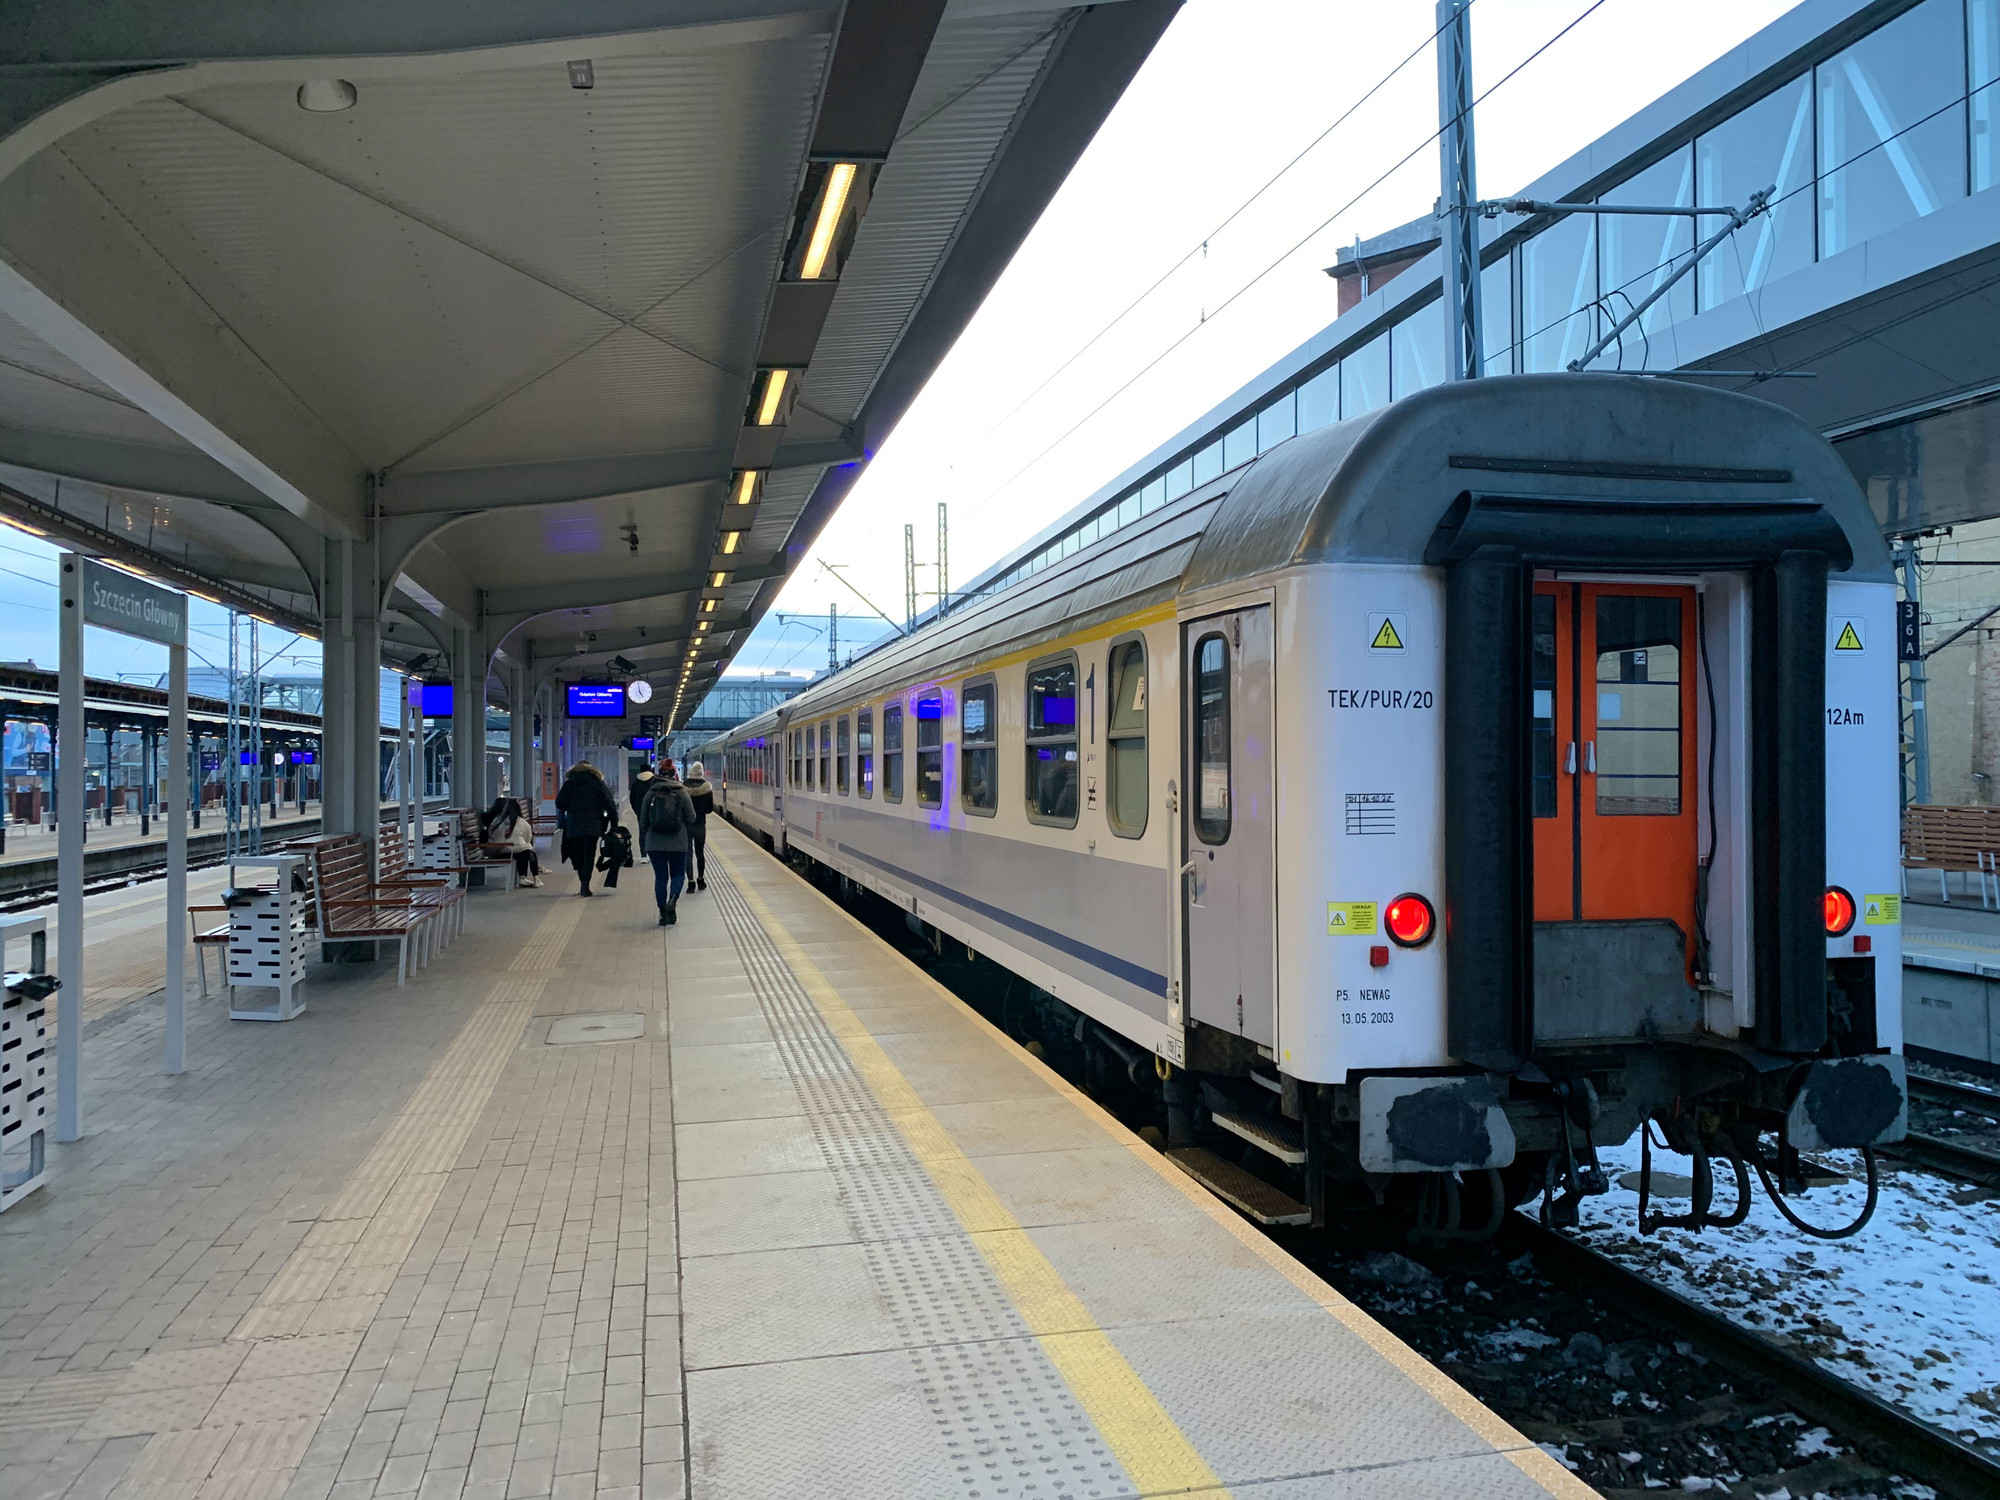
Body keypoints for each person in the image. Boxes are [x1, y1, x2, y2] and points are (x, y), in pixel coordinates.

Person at [638, 762, 697, 925]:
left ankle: (663, 913)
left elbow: (643, 821)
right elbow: (692, 817)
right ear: (674, 774)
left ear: (658, 773)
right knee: (678, 874)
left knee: (661, 877)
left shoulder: (651, 792)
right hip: (678, 842)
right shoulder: (682, 792)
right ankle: (673, 900)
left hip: (655, 844)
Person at [553, 762, 617, 897]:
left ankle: (582, 878)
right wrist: (614, 824)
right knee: (589, 855)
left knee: (577, 854)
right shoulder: (597, 783)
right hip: (593, 824)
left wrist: (571, 805)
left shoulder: (569, 784)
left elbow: (559, 802)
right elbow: (609, 803)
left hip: (573, 824)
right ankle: (585, 885)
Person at [683, 760, 715, 892]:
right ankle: (700, 879)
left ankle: (690, 882)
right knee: (700, 853)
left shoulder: (683, 787)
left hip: (687, 825)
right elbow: (709, 809)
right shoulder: (707, 788)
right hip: (700, 824)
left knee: (688, 854)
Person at [497, 797, 541, 886]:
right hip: (515, 851)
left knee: (525, 852)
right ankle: (535, 879)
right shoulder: (522, 822)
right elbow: (528, 838)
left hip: (501, 850)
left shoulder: (499, 821)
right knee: (528, 851)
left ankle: (524, 878)